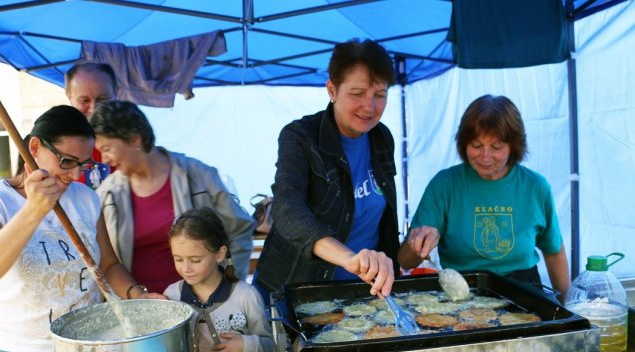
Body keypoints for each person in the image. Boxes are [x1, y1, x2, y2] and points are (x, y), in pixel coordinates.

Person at [0, 105, 164, 352]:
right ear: (34, 148)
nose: (74, 174)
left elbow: (108, 266)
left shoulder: (85, 198)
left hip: (89, 345)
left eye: (83, 164)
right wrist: (33, 210)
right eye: (67, 161)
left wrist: (138, 295)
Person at [254, 38, 400, 303]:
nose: (370, 106)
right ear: (332, 90)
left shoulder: (382, 138)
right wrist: (349, 258)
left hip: (362, 292)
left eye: (380, 94)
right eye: (357, 94)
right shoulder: (300, 136)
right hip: (301, 289)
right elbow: (287, 209)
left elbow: (385, 223)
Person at [398, 94, 570, 298]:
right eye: (477, 146)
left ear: (514, 146)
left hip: (525, 290)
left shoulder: (535, 187)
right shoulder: (445, 185)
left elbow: (553, 250)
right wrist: (417, 242)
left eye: (496, 147)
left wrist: (567, 305)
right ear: (463, 144)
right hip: (461, 290)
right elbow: (405, 262)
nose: (485, 157)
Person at [91, 100, 254, 293]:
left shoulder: (198, 175)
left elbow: (239, 230)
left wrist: (228, 289)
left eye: (107, 148)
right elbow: (106, 262)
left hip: (203, 311)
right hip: (140, 312)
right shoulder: (106, 194)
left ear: (134, 139)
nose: (103, 159)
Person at [164, 208, 273, 352]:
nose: (185, 268)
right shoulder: (171, 296)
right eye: (178, 259)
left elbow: (269, 343)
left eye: (195, 260)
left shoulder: (246, 296)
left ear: (219, 254)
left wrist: (247, 345)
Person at [65, 61, 117, 188]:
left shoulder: (133, 136)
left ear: (116, 92)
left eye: (102, 99)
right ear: (69, 96)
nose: (94, 109)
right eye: (84, 100)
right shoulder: (55, 142)